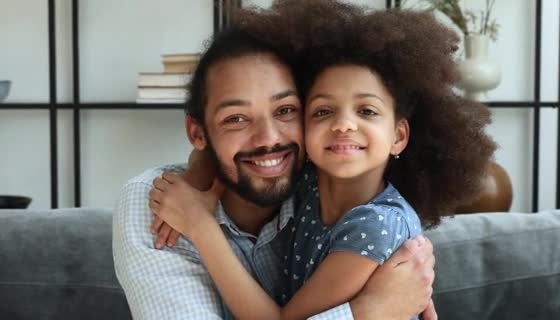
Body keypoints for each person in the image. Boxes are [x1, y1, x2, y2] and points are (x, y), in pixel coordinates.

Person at [146, 1, 495, 320]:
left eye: (367, 110)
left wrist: (202, 228)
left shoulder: (376, 226)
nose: (344, 124)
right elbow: (226, 152)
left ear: (399, 136)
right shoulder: (309, 182)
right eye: (323, 111)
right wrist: (198, 172)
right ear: (303, 130)